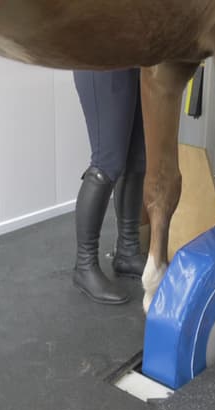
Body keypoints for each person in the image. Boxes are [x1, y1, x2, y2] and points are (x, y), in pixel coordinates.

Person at [72, 69, 146, 305]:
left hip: (135, 57)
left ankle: (128, 251)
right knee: (107, 163)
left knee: (137, 160)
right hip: (101, 56)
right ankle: (85, 265)